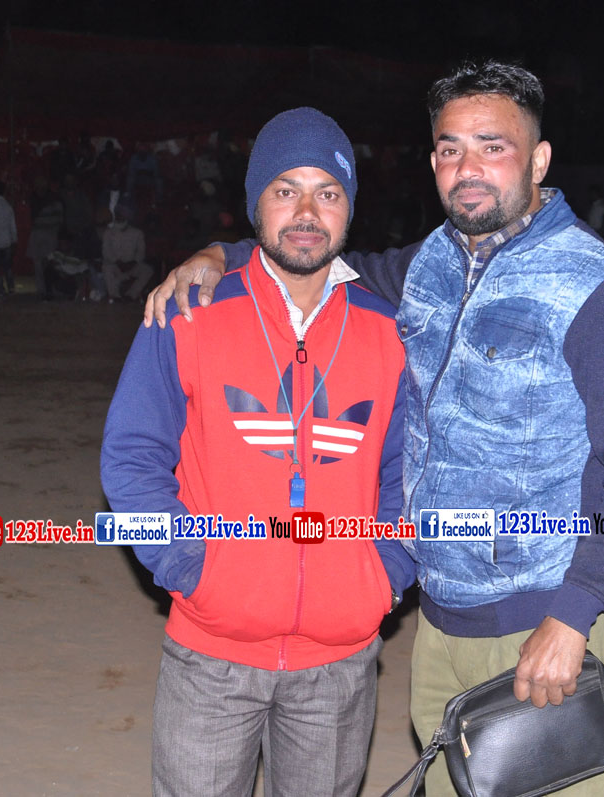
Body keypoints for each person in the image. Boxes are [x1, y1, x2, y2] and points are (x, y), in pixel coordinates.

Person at [145, 61, 604, 797]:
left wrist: (576, 613)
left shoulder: (600, 288)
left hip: (544, 625)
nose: (468, 168)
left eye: (493, 147)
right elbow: (319, 259)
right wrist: (224, 254)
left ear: (538, 160)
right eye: (450, 148)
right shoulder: (433, 262)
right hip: (440, 626)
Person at [101, 107, 415, 797]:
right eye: (285, 190)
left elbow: (411, 474)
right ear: (255, 205)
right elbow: (132, 457)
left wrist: (383, 576)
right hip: (212, 655)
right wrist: (189, 566)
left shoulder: (389, 331)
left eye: (327, 192)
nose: (306, 212)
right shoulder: (189, 312)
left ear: (349, 208)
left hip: (339, 662)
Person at [101, 204, 153, 303]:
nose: (119, 216)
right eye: (117, 214)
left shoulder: (137, 233)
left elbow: (141, 252)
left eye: (121, 214)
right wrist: (117, 262)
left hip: (132, 265)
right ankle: (115, 296)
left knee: (147, 270)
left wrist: (133, 262)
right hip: (115, 265)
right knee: (106, 268)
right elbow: (106, 252)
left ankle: (131, 295)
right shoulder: (108, 233)